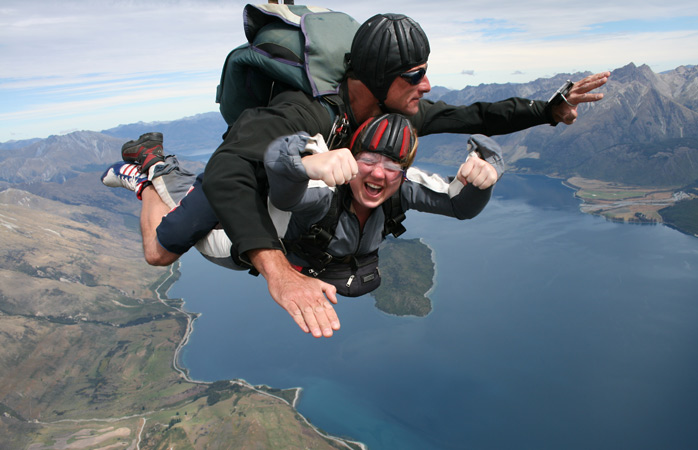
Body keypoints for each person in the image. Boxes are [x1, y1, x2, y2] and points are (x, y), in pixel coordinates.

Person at [107, 12, 610, 338]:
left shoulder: (398, 114)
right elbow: (227, 174)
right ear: (374, 80)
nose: (426, 84)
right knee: (159, 251)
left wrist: (548, 109)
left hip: (293, 184)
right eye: (414, 76)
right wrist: (278, 272)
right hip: (247, 174)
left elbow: (472, 114)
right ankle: (152, 167)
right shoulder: (299, 112)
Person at [102, 112, 501, 300]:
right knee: (159, 250)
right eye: (369, 159)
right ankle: (148, 173)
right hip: (237, 238)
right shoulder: (323, 191)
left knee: (194, 186)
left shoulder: (401, 188)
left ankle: (162, 165)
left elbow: (459, 205)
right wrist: (305, 162)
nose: (379, 174)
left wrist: (484, 177)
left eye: (393, 163)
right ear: (351, 156)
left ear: (404, 169)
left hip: (268, 204)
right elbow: (284, 190)